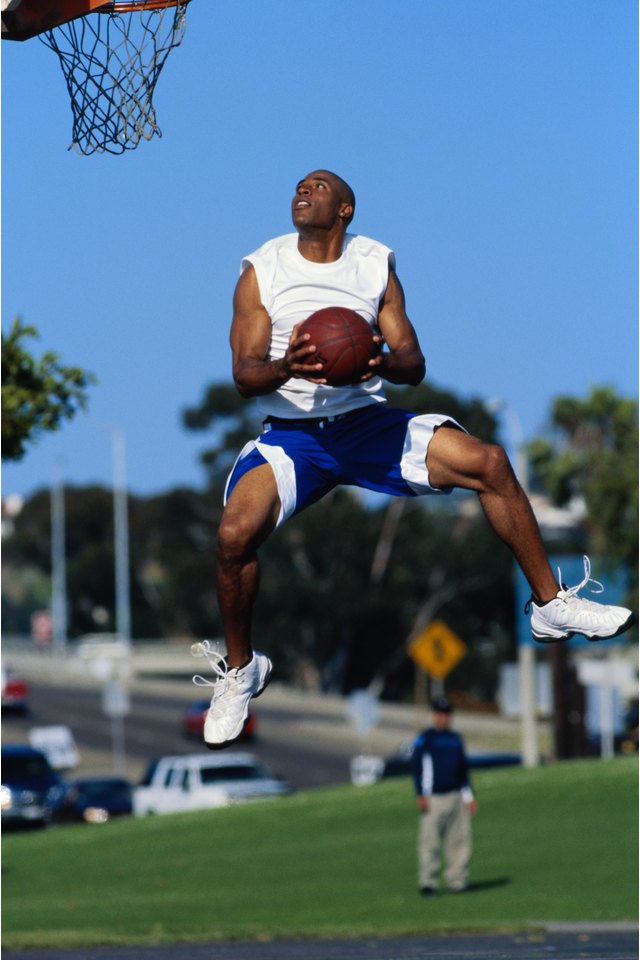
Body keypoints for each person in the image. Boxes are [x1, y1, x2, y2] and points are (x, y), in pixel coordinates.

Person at [193, 168, 635, 749]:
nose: (303, 191)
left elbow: (413, 361)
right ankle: (241, 669)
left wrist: (378, 359)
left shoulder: (374, 263)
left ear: (346, 209)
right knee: (232, 535)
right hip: (294, 437)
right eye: (299, 185)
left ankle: (550, 604)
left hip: (366, 424)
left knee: (492, 463)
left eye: (319, 186)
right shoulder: (261, 270)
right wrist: (285, 368)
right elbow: (244, 373)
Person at [411, 696, 477, 895]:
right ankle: (428, 882)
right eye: (440, 714)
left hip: (456, 795)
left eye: (447, 714)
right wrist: (421, 793)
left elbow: (463, 770)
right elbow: (417, 768)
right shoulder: (426, 738)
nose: (443, 718)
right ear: (434, 716)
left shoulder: (455, 739)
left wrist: (469, 796)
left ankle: (456, 880)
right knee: (429, 842)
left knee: (459, 841)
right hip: (434, 797)